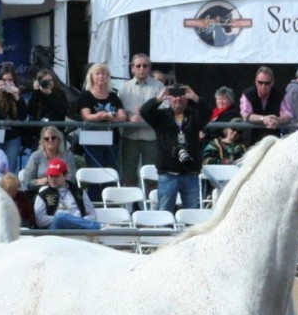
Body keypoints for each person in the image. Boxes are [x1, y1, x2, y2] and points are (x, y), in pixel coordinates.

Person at [140, 83, 210, 212]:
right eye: (174, 96)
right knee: (164, 212)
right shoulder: (161, 116)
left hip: (190, 173)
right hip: (168, 173)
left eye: (182, 96)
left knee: (192, 213)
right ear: (169, 98)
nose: (178, 99)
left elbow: (208, 112)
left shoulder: (194, 116)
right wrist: (158, 99)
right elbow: (144, 111)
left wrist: (195, 98)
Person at [118, 54, 166, 186]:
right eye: (138, 66)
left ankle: (150, 206)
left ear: (149, 68)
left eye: (145, 66)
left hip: (151, 138)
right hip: (129, 137)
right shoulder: (124, 88)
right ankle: (129, 206)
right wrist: (128, 117)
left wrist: (146, 113)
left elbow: (166, 110)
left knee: (152, 177)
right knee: (129, 176)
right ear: (132, 68)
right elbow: (117, 110)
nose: (141, 69)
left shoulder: (159, 87)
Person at [78, 62, 126, 177]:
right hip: (93, 138)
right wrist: (102, 116)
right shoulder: (86, 95)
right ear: (91, 77)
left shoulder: (113, 96)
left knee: (111, 173)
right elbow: (86, 116)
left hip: (112, 139)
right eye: (97, 74)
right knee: (94, 173)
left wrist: (110, 117)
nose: (101, 76)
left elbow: (123, 116)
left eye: (104, 74)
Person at [33, 158, 100, 230]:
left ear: (65, 175)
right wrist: (66, 219)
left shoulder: (79, 192)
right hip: (55, 230)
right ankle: (98, 226)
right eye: (50, 175)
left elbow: (93, 215)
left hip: (79, 229)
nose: (52, 179)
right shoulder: (43, 194)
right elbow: (39, 220)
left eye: (56, 176)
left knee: (62, 217)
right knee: (60, 217)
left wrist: (74, 220)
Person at [239, 66, 291, 145]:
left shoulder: (280, 95)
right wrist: (263, 119)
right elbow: (246, 115)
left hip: (272, 140)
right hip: (250, 140)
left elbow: (288, 115)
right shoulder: (247, 94)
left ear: (272, 82)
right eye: (260, 82)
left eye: (267, 83)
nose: (263, 86)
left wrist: (277, 120)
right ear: (256, 81)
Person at [24, 68, 70, 151]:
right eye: (45, 81)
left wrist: (50, 94)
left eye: (50, 80)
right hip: (39, 134)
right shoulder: (37, 94)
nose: (48, 83)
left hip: (57, 133)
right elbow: (30, 111)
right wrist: (35, 92)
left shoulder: (59, 93)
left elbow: (64, 110)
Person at [0, 64, 28, 170]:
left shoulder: (17, 95)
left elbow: (23, 116)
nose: (7, 83)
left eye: (10, 80)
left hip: (13, 137)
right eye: (4, 80)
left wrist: (16, 96)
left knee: (10, 168)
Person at [21, 125, 73, 190]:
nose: (50, 140)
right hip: (40, 192)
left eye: (53, 138)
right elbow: (27, 181)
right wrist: (39, 181)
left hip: (63, 191)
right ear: (43, 142)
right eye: (46, 138)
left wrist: (50, 180)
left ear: (59, 140)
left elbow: (71, 179)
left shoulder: (67, 156)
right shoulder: (36, 156)